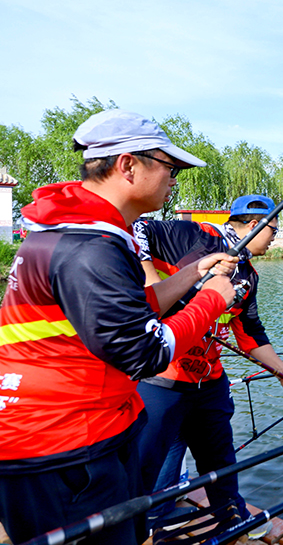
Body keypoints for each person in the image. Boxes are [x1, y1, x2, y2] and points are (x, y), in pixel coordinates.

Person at [0, 109, 239, 545]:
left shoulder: (79, 233)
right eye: (169, 167)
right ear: (128, 165)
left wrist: (194, 272)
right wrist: (213, 299)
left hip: (84, 431)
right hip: (63, 449)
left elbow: (125, 311)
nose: (174, 179)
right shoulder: (88, 246)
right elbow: (145, 352)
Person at [133, 195, 283, 531]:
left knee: (221, 459)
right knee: (146, 462)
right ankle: (143, 525)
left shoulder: (248, 277)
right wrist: (151, 281)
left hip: (209, 382)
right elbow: (136, 227)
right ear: (255, 226)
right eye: (273, 230)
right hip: (160, 379)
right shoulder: (195, 236)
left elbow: (251, 334)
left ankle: (231, 518)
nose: (275, 238)